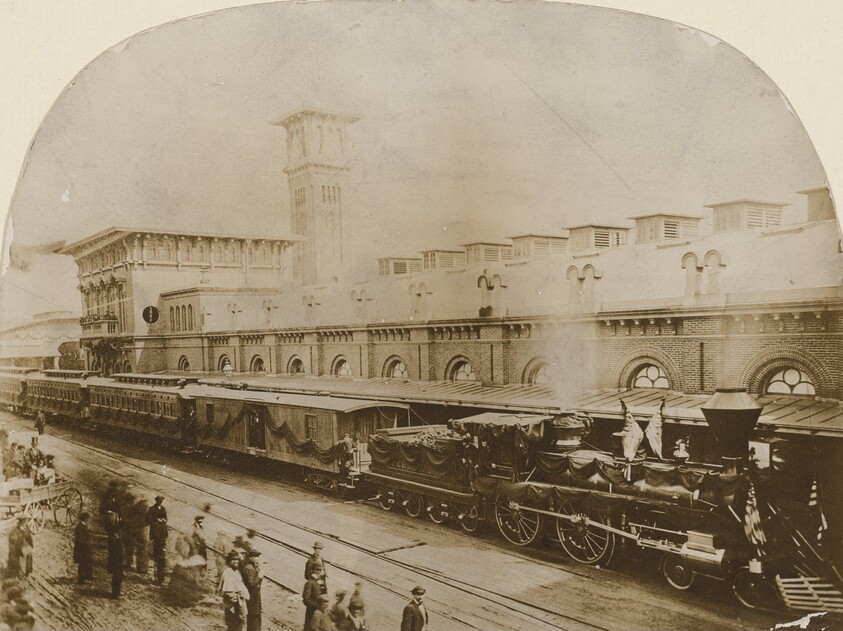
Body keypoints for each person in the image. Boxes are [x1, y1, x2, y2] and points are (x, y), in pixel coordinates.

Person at [218, 550, 249, 631]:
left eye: (237, 559)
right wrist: (236, 597)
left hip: (238, 604)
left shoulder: (236, 572)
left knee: (238, 625)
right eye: (233, 560)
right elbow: (227, 591)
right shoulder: (228, 572)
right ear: (229, 561)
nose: (236, 561)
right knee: (233, 626)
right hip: (232, 605)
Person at [146, 495, 168, 584]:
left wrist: (163, 520)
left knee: (161, 554)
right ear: (156, 501)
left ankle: (159, 577)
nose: (160, 502)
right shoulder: (152, 509)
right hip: (155, 533)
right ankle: (155, 577)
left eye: (161, 501)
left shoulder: (163, 509)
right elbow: (147, 519)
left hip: (162, 533)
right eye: (159, 501)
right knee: (156, 555)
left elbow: (166, 518)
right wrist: (155, 522)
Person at [240, 549, 263, 631]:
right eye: (255, 557)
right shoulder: (249, 568)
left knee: (256, 621)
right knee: (253, 622)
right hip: (252, 599)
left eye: (257, 557)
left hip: (255, 599)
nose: (257, 559)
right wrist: (259, 577)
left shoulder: (253, 567)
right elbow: (251, 584)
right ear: (250, 558)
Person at [105, 510, 124, 598]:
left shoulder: (113, 538)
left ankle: (116, 593)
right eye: (119, 532)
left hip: (116, 561)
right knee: (117, 577)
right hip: (117, 561)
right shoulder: (115, 540)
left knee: (118, 578)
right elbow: (117, 552)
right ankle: (115, 594)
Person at [73, 511, 93, 583]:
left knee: (85, 563)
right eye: (88, 519)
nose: (89, 521)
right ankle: (81, 579)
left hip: (84, 548)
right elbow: (80, 539)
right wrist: (87, 542)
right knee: (82, 563)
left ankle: (86, 577)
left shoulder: (83, 526)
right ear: (86, 519)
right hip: (82, 549)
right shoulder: (80, 527)